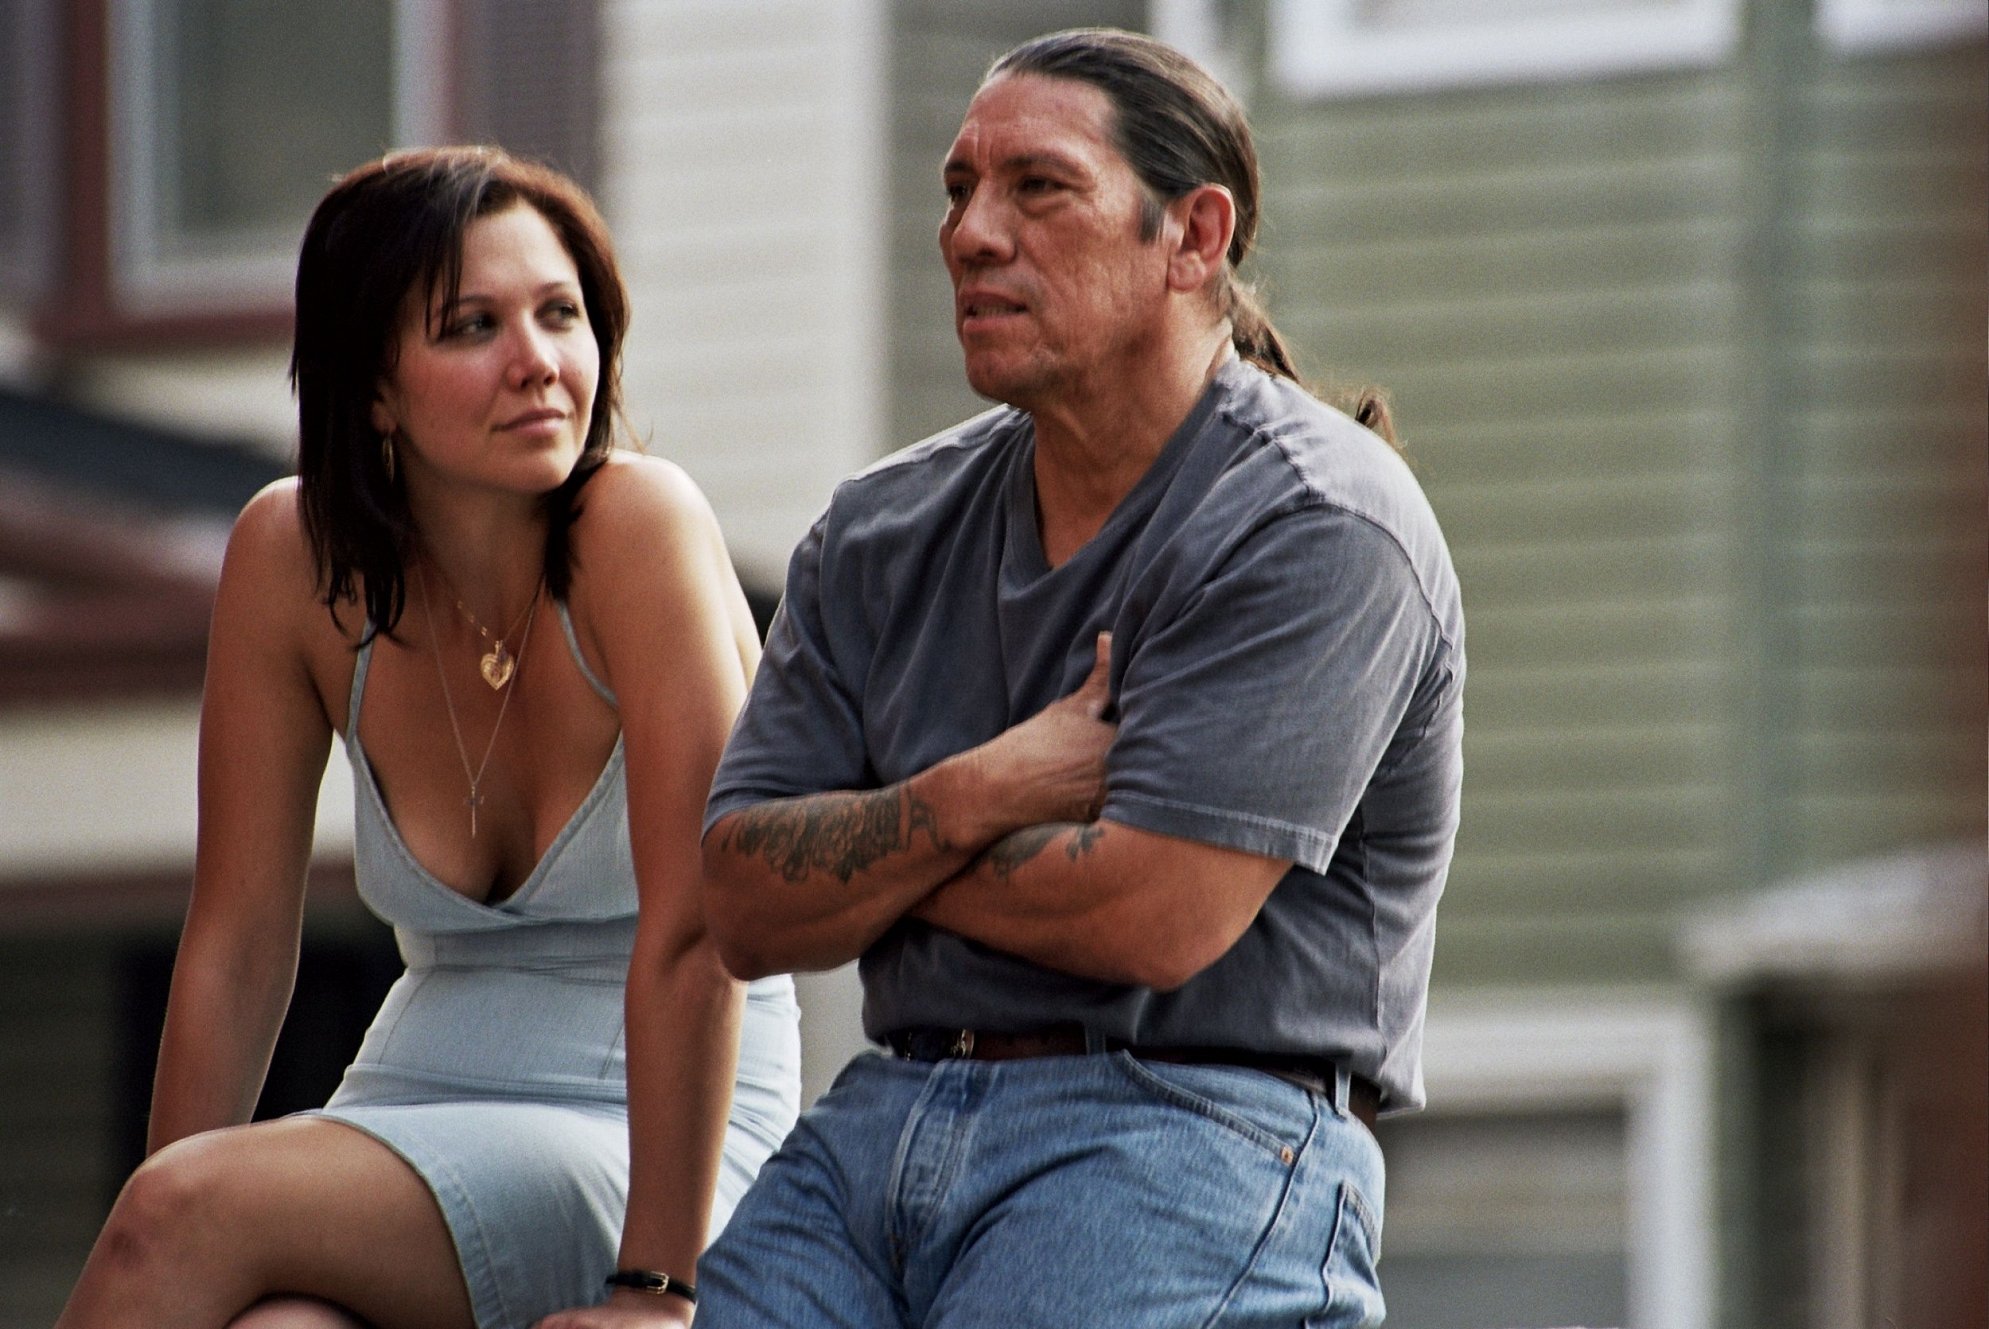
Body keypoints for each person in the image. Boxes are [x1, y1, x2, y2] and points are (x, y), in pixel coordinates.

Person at [694, 27, 1463, 1329]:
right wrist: (981, 793)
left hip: (1189, 1122)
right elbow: (741, 899)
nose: (971, 234)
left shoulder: (1315, 520)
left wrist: (872, 858)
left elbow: (1150, 913)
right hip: (880, 1114)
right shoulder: (876, 532)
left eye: (1038, 188)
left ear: (1194, 236)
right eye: (957, 190)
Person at [56, 146, 800, 1329]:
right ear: (374, 389)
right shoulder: (290, 560)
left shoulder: (640, 528)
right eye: (473, 326)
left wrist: (658, 1292)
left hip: (653, 1135)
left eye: (560, 315)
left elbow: (701, 931)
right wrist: (177, 1235)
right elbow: (238, 945)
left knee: (182, 1214)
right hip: (415, 1095)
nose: (537, 361)